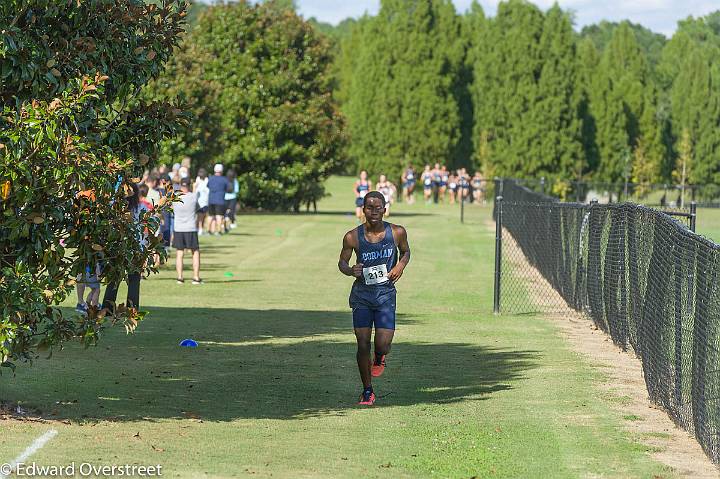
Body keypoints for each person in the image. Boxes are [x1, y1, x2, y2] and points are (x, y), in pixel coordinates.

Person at [338, 191, 411, 406]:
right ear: (363, 209)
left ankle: (380, 357)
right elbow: (341, 262)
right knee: (362, 345)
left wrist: (400, 265)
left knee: (383, 344)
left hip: (385, 294)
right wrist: (351, 270)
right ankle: (367, 390)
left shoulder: (397, 232)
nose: (374, 212)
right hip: (362, 296)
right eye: (369, 207)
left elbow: (406, 252)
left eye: (378, 207)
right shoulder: (352, 236)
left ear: (385, 209)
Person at [102, 183, 148, 312]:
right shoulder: (142, 207)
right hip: (136, 247)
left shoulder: (115, 207)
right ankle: (132, 308)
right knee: (134, 280)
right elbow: (146, 230)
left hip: (117, 246)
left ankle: (107, 308)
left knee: (113, 279)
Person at [173, 177, 202, 284]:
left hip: (178, 228)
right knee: (195, 252)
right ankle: (196, 277)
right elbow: (199, 207)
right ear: (189, 185)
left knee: (180, 253)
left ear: (181, 185)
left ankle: (180, 277)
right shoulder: (193, 197)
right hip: (190, 228)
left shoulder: (175, 198)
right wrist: (194, 187)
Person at [207, 164, 229, 235]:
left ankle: (209, 230)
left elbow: (208, 186)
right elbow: (227, 188)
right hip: (220, 200)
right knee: (219, 216)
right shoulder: (224, 179)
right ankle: (219, 231)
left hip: (211, 199)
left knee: (210, 216)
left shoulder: (210, 178)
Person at [194, 168, 210, 235]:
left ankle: (201, 229)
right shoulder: (197, 180)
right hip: (199, 201)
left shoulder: (207, 180)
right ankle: (199, 229)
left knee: (203, 216)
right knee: (199, 216)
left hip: (205, 201)